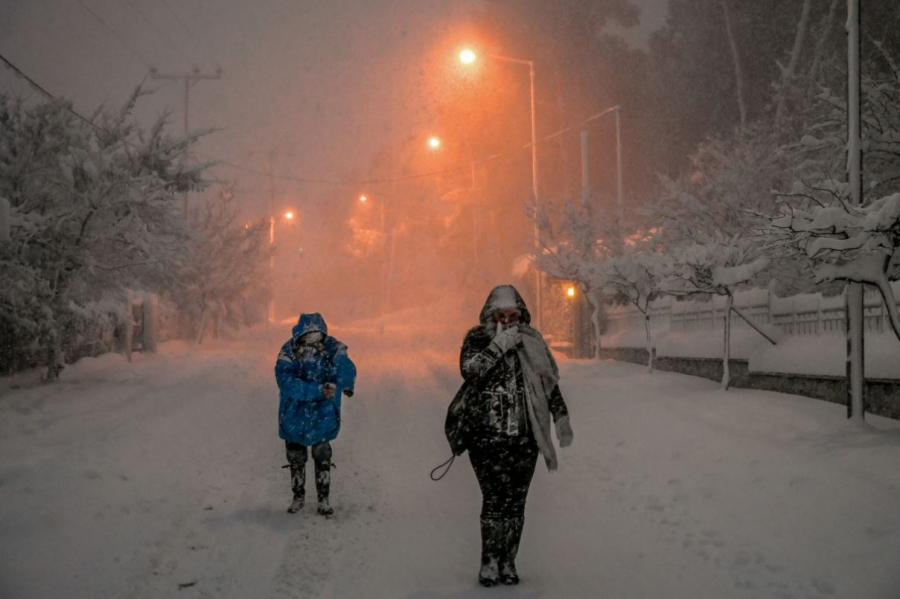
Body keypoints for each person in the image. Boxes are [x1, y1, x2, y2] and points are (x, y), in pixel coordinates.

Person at [453, 285, 573, 587]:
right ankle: (489, 561)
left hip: (524, 439)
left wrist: (561, 416)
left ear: (521, 315)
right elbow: (470, 371)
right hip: (486, 438)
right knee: (494, 501)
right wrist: (498, 346)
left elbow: (547, 382)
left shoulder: (531, 342)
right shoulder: (477, 339)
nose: (507, 320)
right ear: (490, 315)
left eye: (513, 315)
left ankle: (508, 561)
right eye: (501, 315)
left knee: (516, 504)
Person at [275, 312, 356, 516]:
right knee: (296, 456)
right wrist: (318, 390)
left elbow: (344, 364)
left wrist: (345, 383)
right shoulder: (288, 351)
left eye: (316, 336)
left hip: (321, 412)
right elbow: (286, 383)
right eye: (308, 336)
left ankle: (323, 498)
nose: (312, 342)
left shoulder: (332, 348)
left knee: (322, 455)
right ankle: (298, 496)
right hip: (295, 412)